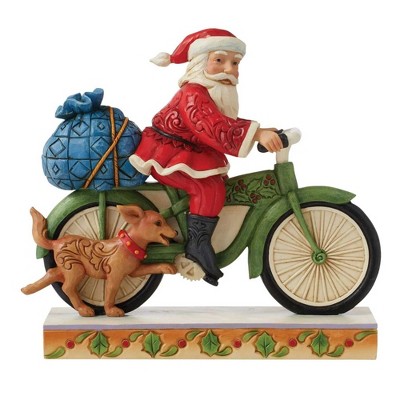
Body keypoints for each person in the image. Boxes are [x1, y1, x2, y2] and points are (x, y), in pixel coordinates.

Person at [129, 28, 283, 286]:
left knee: (217, 185)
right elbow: (212, 126)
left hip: (190, 150)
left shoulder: (211, 92)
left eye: (235, 63)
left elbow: (222, 120)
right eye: (219, 60)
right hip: (169, 152)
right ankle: (197, 246)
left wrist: (259, 131)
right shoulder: (193, 93)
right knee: (207, 188)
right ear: (200, 63)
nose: (229, 69)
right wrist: (256, 134)